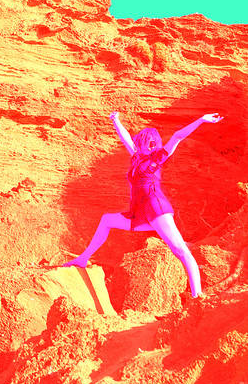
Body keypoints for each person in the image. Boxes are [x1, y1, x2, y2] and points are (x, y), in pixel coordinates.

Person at [64, 111, 224, 297]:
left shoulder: (158, 157)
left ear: (152, 144)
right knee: (107, 220)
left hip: (156, 209)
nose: (140, 145)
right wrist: (116, 121)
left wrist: (201, 120)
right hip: (139, 212)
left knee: (180, 250)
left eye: (145, 143)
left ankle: (198, 295)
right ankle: (83, 259)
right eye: (140, 142)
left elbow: (177, 136)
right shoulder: (137, 157)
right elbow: (126, 139)